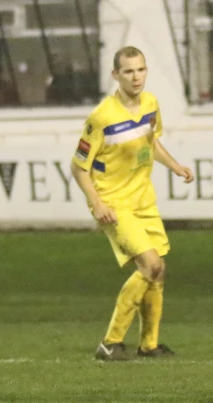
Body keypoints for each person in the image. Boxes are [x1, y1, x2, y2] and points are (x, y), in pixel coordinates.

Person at [70, 46, 194, 361]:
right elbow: (78, 167)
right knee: (151, 265)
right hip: (113, 204)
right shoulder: (101, 117)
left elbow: (151, 142)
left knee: (158, 271)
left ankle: (149, 346)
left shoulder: (151, 104)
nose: (135, 76)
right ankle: (110, 342)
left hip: (144, 201)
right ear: (116, 75)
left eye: (140, 69)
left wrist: (176, 166)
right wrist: (97, 204)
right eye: (128, 71)